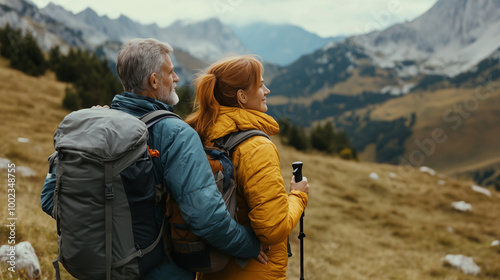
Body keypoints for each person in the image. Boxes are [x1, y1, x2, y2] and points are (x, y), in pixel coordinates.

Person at [41, 38, 268, 279]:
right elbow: (207, 218)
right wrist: (249, 244)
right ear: (154, 80)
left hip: (101, 267)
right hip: (158, 270)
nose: (176, 78)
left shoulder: (97, 126)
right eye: (171, 72)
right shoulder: (176, 134)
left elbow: (49, 199)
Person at [185, 55, 310, 280]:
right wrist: (298, 196)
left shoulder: (202, 136)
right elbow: (272, 228)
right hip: (254, 270)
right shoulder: (256, 147)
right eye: (261, 84)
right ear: (242, 96)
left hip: (211, 267)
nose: (267, 90)